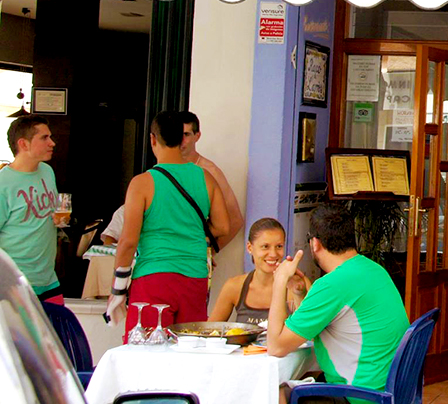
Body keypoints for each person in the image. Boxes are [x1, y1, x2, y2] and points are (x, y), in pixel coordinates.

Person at [267, 202, 408, 400]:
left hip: (359, 395)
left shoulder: (332, 285)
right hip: (389, 390)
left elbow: (276, 347)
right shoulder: (374, 270)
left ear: (315, 243)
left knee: (274, 391)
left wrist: (279, 282)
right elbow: (314, 328)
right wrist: (299, 293)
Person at [105, 112, 231, 333]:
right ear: (183, 139)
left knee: (145, 352)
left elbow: (127, 242)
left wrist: (118, 289)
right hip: (195, 276)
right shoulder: (205, 178)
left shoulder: (141, 183)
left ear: (153, 139)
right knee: (189, 349)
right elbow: (223, 227)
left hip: (153, 276)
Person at [0, 116, 64, 304]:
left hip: (48, 278)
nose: (52, 142)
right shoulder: (3, 184)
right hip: (14, 284)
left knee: (56, 332)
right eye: (44, 138)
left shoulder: (47, 171)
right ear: (23, 144)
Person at [209, 217, 311, 325]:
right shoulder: (234, 286)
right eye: (265, 247)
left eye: (279, 246)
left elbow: (311, 331)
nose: (273, 254)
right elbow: (209, 331)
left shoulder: (298, 284)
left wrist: (299, 294)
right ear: (249, 247)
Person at [180, 111, 244, 245]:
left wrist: (212, 251)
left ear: (197, 136)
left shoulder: (210, 171)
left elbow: (235, 220)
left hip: (195, 252)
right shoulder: (164, 169)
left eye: (186, 134)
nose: (181, 140)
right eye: (177, 133)